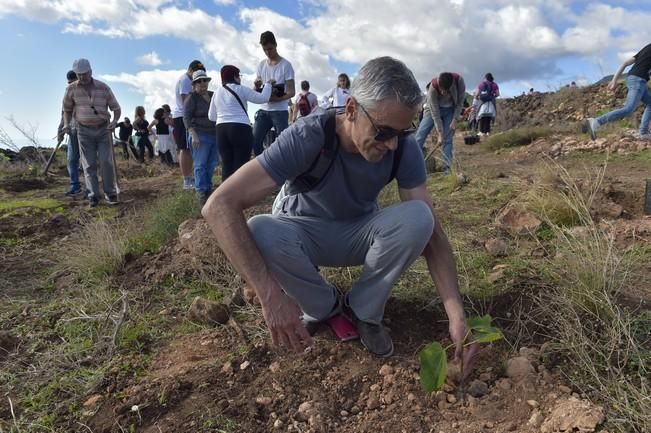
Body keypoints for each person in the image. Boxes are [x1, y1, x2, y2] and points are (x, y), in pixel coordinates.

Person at [201, 57, 478, 375]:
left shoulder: (402, 147)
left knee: (420, 217)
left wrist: (456, 314)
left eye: (403, 132)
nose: (391, 144)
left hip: (358, 231)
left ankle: (363, 309)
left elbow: (432, 235)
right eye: (383, 131)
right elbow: (218, 206)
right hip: (305, 232)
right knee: (262, 229)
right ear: (351, 110)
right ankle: (323, 306)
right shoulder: (308, 136)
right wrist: (270, 296)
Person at [62, 58, 121, 207]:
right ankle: (93, 196)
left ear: (91, 72)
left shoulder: (103, 87)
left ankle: (110, 193)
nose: (82, 77)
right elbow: (67, 110)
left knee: (106, 162)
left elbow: (116, 108)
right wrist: (67, 124)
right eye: (79, 74)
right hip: (83, 130)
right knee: (89, 164)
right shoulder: (71, 89)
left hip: (103, 129)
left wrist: (114, 122)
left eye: (85, 74)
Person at [208, 65, 272, 181]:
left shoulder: (217, 93)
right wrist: (268, 84)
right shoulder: (241, 89)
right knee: (240, 164)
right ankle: (240, 194)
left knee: (227, 165)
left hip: (221, 129)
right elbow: (263, 98)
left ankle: (226, 195)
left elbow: (211, 116)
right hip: (240, 127)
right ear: (235, 76)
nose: (240, 78)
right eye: (239, 75)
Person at [585, 42, 651, 141]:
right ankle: (596, 122)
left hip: (633, 79)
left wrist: (614, 80)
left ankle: (643, 133)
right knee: (629, 109)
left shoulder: (646, 49)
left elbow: (624, 63)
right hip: (638, 81)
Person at [252, 31, 296, 156]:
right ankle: (262, 168)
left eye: (270, 49)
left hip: (280, 110)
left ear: (276, 45)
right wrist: (256, 86)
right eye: (264, 49)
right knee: (255, 141)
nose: (267, 52)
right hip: (264, 109)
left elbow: (292, 92)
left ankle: (283, 171)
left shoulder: (286, 65)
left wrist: (277, 98)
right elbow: (255, 91)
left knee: (284, 143)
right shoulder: (261, 65)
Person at [413, 72, 466, 172]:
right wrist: (440, 133)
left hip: (450, 110)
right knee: (420, 135)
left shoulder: (459, 81)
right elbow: (435, 114)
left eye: (445, 90)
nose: (442, 92)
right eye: (441, 89)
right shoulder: (432, 89)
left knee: (448, 139)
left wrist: (455, 119)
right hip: (432, 110)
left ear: (451, 85)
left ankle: (447, 168)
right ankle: (412, 164)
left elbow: (460, 102)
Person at [184, 70, 219, 205]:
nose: (202, 83)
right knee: (200, 165)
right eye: (199, 81)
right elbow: (186, 118)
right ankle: (200, 192)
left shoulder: (213, 95)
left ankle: (208, 189)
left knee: (211, 164)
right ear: (194, 85)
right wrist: (193, 135)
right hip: (199, 134)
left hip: (214, 133)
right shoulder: (191, 98)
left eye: (205, 80)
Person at [173, 60, 206, 189]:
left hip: (184, 116)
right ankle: (187, 180)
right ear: (191, 70)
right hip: (183, 116)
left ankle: (190, 177)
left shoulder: (186, 79)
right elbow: (186, 101)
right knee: (185, 149)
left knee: (188, 148)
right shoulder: (186, 80)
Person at [57, 70, 83, 196]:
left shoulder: (84, 92)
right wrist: (60, 130)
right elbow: (64, 114)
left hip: (86, 132)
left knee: (88, 161)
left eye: (73, 81)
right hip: (72, 131)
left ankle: (92, 188)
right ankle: (75, 186)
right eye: (69, 82)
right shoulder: (67, 93)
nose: (70, 84)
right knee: (72, 160)